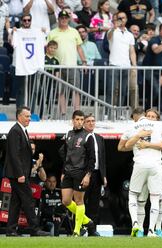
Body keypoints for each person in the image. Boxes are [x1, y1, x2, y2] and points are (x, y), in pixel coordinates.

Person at [118, 107, 162, 237]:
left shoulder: (133, 127)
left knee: (134, 195)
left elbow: (123, 147)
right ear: (145, 115)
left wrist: (139, 137)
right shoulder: (159, 126)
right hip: (156, 166)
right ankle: (151, 230)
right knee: (155, 199)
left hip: (140, 165)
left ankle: (137, 225)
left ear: (135, 116)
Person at [3, 106, 49, 236]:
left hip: (20, 173)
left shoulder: (21, 130)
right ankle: (34, 229)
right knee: (28, 199)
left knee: (16, 202)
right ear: (19, 117)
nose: (29, 119)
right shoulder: (15, 131)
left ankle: (11, 230)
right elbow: (14, 154)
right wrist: (20, 174)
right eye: (27, 116)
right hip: (18, 174)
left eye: (29, 116)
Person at [59, 110, 98, 236]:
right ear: (72, 120)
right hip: (68, 172)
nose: (80, 122)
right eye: (77, 119)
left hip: (81, 172)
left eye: (82, 120)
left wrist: (88, 175)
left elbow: (92, 158)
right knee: (66, 201)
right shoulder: (68, 134)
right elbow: (64, 154)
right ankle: (88, 221)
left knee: (79, 201)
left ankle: (77, 230)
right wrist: (63, 171)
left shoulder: (88, 136)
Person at [47, 10, 87, 117]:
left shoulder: (74, 31)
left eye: (66, 18)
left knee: (76, 91)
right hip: (57, 67)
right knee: (60, 91)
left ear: (69, 19)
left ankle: (77, 114)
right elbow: (48, 49)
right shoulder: (52, 33)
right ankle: (63, 114)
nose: (64, 20)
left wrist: (84, 62)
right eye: (62, 18)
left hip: (72, 65)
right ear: (58, 19)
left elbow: (79, 48)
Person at [142, 23, 162, 114]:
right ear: (159, 31)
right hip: (149, 69)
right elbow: (156, 50)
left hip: (160, 71)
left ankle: (161, 113)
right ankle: (147, 111)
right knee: (155, 90)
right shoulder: (154, 39)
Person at [106, 11, 136, 108]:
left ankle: (119, 112)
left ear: (126, 19)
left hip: (126, 66)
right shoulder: (112, 31)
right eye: (119, 18)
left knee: (123, 91)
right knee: (111, 90)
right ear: (115, 19)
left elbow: (132, 51)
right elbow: (109, 36)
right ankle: (107, 112)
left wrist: (134, 66)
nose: (121, 20)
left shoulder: (130, 35)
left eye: (123, 18)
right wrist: (114, 27)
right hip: (114, 65)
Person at [83, 113, 107, 225]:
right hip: (84, 174)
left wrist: (104, 175)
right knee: (81, 202)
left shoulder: (99, 138)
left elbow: (102, 158)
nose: (91, 123)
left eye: (93, 121)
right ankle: (78, 228)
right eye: (88, 121)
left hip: (97, 175)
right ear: (83, 123)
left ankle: (93, 229)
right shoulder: (80, 136)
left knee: (95, 203)